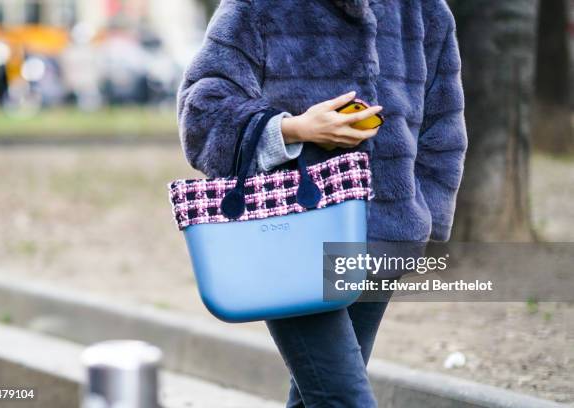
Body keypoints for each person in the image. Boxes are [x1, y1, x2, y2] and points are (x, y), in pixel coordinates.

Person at [177, 0, 467, 406]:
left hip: (383, 237)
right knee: (342, 397)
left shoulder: (424, 11)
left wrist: (422, 221)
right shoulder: (258, 7)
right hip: (291, 237)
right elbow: (201, 112)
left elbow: (443, 130)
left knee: (317, 395)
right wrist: (296, 129)